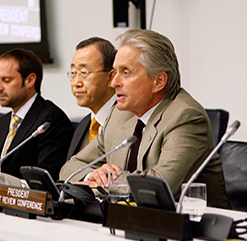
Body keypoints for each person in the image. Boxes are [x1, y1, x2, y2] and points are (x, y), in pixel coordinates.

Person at [60, 29, 229, 208]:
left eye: (125, 73)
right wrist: (92, 176)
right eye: (115, 72)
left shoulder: (186, 116)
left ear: (158, 81)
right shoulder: (119, 115)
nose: (114, 82)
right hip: (130, 221)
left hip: (196, 228)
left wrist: (106, 182)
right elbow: (70, 168)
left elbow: (160, 184)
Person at [0, 48, 74, 181]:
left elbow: (46, 180)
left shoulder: (51, 121)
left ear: (30, 80)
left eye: (6, 80)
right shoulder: (1, 123)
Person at [67, 37, 117, 160]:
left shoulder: (126, 122)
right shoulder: (83, 125)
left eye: (84, 73)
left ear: (111, 77)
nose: (77, 83)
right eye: (73, 73)